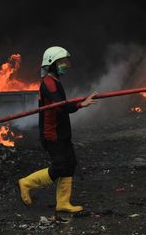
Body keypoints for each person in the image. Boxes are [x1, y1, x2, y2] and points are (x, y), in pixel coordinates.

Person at [18, 46, 97, 213]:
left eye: (65, 61)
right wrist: (80, 104)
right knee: (60, 166)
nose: (66, 64)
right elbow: (61, 107)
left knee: (70, 165)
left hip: (62, 131)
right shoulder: (48, 83)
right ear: (51, 64)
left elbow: (62, 107)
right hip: (52, 133)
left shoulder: (55, 81)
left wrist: (79, 103)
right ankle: (26, 183)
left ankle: (63, 203)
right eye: (61, 62)